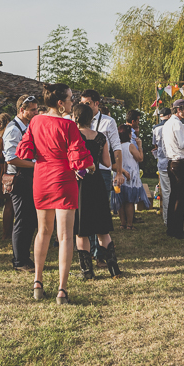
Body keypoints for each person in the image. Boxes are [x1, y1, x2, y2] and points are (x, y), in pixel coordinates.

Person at [16, 83, 93, 304]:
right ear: (60, 103)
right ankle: (62, 289)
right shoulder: (68, 126)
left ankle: (37, 282)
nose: (73, 102)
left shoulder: (35, 121)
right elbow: (79, 157)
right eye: (70, 98)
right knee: (65, 235)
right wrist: (90, 166)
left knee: (43, 231)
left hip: (41, 178)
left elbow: (25, 150)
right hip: (63, 178)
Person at [71, 104, 120, 279]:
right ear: (91, 119)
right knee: (102, 228)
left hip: (80, 183)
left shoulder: (73, 136)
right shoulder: (100, 137)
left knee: (81, 229)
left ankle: (87, 271)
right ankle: (114, 269)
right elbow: (107, 163)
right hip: (97, 181)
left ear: (75, 118)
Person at [4, 94, 40, 273]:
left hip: (29, 176)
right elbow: (11, 158)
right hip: (19, 177)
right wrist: (35, 164)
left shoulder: (27, 126)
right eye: (32, 109)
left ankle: (25, 257)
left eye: (36, 109)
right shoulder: (14, 129)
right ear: (22, 110)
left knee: (30, 219)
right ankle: (19, 260)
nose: (36, 112)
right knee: (22, 219)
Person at [163, 99, 184, 239]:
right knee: (181, 197)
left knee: (173, 196)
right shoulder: (178, 124)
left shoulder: (167, 124)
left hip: (171, 161)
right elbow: (182, 144)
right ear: (179, 110)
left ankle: (171, 227)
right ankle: (178, 230)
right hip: (180, 162)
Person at [113, 121, 151, 229]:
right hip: (130, 176)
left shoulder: (117, 146)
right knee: (129, 201)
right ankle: (129, 224)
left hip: (119, 174)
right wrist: (140, 146)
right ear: (129, 135)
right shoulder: (130, 146)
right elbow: (140, 158)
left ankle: (122, 223)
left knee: (120, 200)